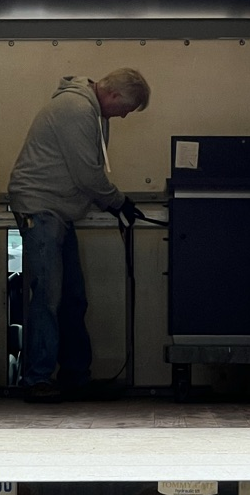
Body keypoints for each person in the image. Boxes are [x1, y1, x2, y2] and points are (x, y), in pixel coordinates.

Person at [8, 68, 150, 403]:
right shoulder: (77, 109)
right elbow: (87, 173)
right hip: (42, 209)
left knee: (70, 298)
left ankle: (73, 375)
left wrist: (113, 201)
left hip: (55, 210)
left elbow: (86, 173)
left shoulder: (87, 110)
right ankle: (38, 378)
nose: (125, 116)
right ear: (113, 96)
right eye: (126, 109)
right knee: (49, 297)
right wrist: (118, 202)